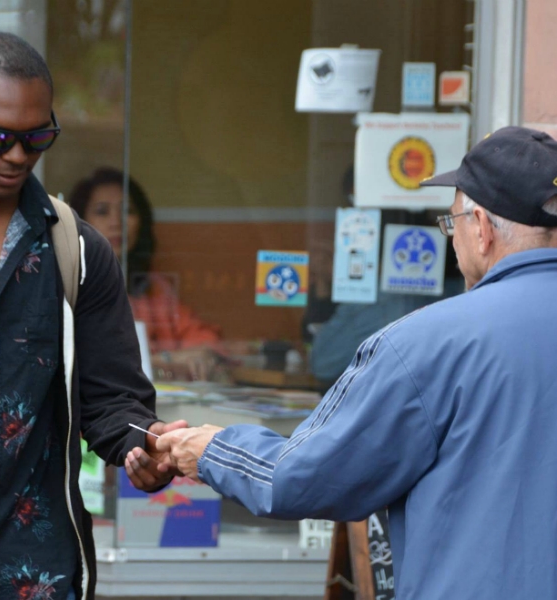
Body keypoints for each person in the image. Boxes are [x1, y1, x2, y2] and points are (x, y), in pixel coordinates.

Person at [156, 127, 557, 600]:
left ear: (482, 228)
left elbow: (302, 477)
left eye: (450, 225)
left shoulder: (427, 344)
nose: (452, 241)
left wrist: (209, 450)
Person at [0, 32, 185, 600]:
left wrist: (145, 445)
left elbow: (111, 399)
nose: (16, 155)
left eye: (37, 136)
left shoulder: (75, 249)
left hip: (40, 568)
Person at [69, 167, 224, 381]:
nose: (117, 223)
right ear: (80, 221)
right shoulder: (69, 283)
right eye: (102, 211)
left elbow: (202, 338)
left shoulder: (153, 285)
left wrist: (203, 353)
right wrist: (167, 360)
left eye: (128, 211)